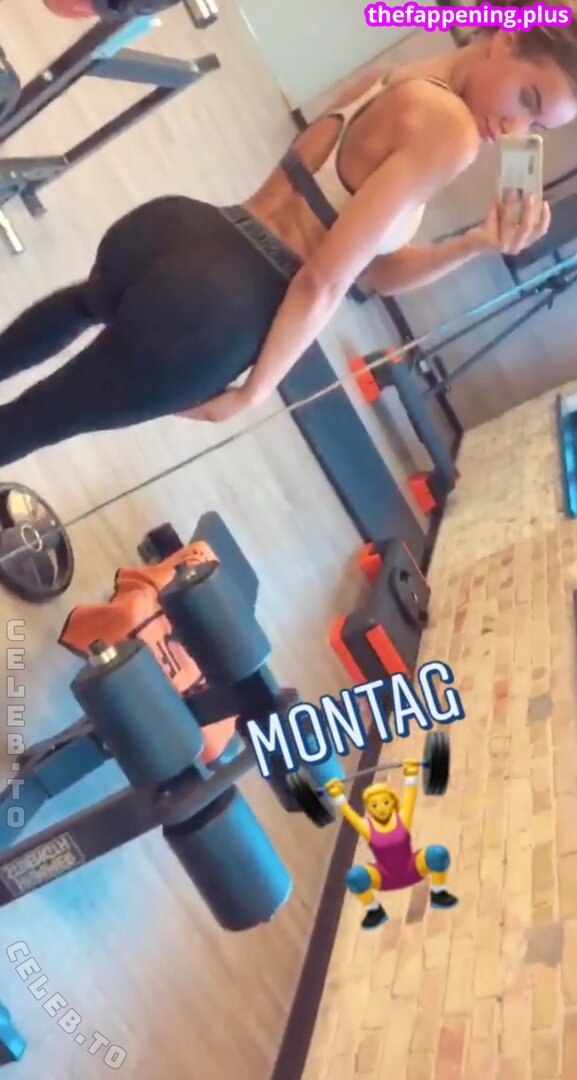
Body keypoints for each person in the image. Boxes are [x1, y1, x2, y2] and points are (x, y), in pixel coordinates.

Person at [0, 6, 575, 467]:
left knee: (80, 306)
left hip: (178, 229)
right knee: (41, 417)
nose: (515, 128)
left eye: (537, 126)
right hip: (213, 312)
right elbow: (323, 280)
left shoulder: (398, 76)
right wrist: (256, 391)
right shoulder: (453, 135)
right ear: (506, 37)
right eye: (527, 99)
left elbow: (374, 269)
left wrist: (476, 242)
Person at [325, 761, 458, 930]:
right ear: (369, 809)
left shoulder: (403, 819)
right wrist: (337, 795)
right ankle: (374, 911)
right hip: (384, 877)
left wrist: (411, 775)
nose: (381, 808)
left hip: (412, 868)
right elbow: (349, 813)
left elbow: (410, 797)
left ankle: (438, 893)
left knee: (438, 854)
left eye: (385, 802)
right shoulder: (367, 827)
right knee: (354, 877)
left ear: (393, 803)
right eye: (374, 805)